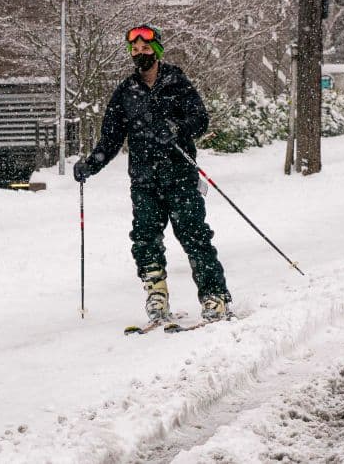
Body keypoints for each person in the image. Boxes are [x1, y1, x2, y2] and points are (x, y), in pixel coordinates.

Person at [73, 24, 232, 324]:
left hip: (180, 177)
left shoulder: (177, 83)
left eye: (145, 49)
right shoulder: (125, 93)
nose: (140, 54)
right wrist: (91, 164)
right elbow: (111, 138)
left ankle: (215, 297)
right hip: (144, 181)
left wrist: (176, 128)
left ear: (156, 50)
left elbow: (200, 120)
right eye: (135, 50)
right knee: (145, 239)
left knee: (194, 236)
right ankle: (156, 294)